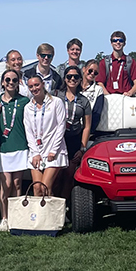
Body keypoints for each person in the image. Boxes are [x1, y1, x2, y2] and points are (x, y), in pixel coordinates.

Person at [0, 69, 30, 232]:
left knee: (18, 184)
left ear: (18, 83)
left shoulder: (24, 101)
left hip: (20, 145)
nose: (11, 83)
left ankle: (17, 216)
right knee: (6, 184)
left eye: (14, 80)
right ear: (3, 82)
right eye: (8, 80)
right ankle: (4, 218)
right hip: (3, 148)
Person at [24, 75, 68, 196]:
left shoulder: (56, 102)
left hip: (54, 150)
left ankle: (52, 214)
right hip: (36, 150)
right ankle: (40, 215)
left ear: (43, 84)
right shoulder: (27, 108)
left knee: (45, 187)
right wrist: (35, 152)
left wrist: (53, 150)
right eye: (31, 86)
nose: (34, 88)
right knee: (37, 188)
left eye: (37, 85)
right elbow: (28, 131)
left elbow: (61, 126)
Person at [54, 66, 93, 199]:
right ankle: (54, 203)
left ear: (80, 79)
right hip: (58, 140)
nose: (72, 79)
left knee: (69, 176)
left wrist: (82, 148)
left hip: (74, 140)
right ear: (64, 79)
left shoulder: (84, 101)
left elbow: (87, 126)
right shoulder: (56, 96)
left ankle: (65, 205)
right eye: (69, 76)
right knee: (56, 175)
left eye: (75, 77)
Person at [96, 31, 136, 96]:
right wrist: (108, 96)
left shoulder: (130, 61)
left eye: (121, 40)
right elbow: (100, 83)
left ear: (124, 43)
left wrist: (130, 93)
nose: (118, 42)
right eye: (115, 40)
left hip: (126, 97)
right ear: (111, 43)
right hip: (109, 97)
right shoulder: (104, 62)